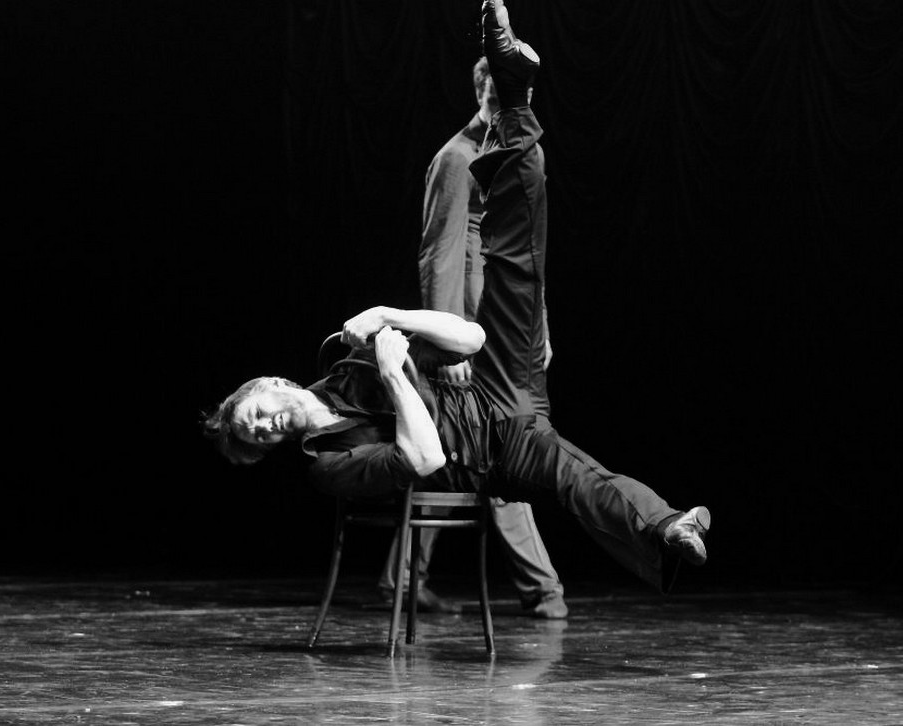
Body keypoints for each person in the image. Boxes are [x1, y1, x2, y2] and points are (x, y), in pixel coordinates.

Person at [205, 0, 710, 601]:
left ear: (271, 383)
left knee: (522, 246)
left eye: (256, 414)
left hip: (486, 363)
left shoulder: (347, 363)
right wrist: (398, 373)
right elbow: (439, 257)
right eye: (260, 436)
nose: (266, 426)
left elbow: (471, 337)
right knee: (570, 474)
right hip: (488, 441)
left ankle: (520, 99)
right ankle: (656, 532)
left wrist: (394, 319)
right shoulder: (328, 464)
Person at [378, 55, 566, 619]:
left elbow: (528, 253)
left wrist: (539, 327)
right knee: (493, 448)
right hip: (471, 333)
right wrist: (445, 344)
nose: (506, 102)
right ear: (481, 90)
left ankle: (402, 579)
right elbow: (439, 252)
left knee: (474, 452)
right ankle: (541, 587)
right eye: (497, 93)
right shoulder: (457, 157)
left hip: (510, 328)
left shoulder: (519, 152)